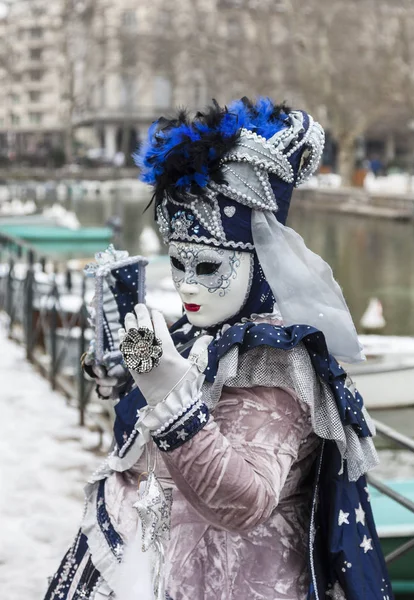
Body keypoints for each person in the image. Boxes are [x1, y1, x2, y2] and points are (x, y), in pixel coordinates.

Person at [45, 98, 393, 600]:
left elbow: (243, 503)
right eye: (179, 264)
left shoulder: (278, 358)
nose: (187, 286)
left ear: (260, 261)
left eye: (207, 267)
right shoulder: (200, 333)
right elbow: (151, 419)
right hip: (161, 564)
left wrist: (169, 396)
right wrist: (124, 368)